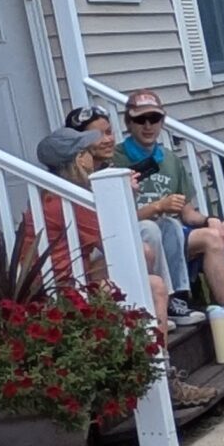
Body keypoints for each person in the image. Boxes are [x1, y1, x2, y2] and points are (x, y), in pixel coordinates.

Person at [25, 127, 216, 407]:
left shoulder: (53, 194)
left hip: (64, 278)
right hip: (62, 292)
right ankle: (162, 379)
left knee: (145, 255)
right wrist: (125, 196)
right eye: (87, 152)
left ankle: (142, 338)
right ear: (78, 160)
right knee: (155, 286)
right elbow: (120, 244)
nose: (92, 157)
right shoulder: (69, 201)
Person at [115, 91, 224, 353]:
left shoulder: (169, 159)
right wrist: (157, 207)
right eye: (141, 120)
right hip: (147, 237)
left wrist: (210, 219)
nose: (148, 125)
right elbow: (115, 218)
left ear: (163, 120)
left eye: (155, 118)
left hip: (175, 234)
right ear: (128, 123)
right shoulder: (116, 160)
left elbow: (188, 213)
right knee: (211, 239)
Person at [64, 105, 201, 326]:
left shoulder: (110, 168)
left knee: (168, 225)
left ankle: (174, 299)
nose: (108, 139)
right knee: (148, 229)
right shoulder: (75, 180)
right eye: (98, 135)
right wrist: (154, 206)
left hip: (110, 240)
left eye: (109, 132)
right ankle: (152, 302)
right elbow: (105, 229)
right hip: (89, 253)